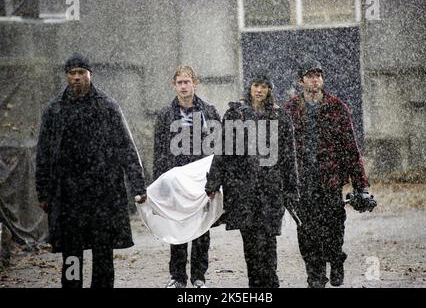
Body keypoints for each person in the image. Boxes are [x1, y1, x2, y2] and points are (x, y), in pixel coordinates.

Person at [35, 53, 147, 288]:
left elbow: (126, 146)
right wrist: (43, 191)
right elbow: (43, 153)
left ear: (90, 75)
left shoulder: (107, 106)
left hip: (102, 193)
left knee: (103, 251)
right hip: (69, 194)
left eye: (81, 73)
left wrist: (138, 184)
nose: (76, 78)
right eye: (72, 73)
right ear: (67, 76)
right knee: (72, 252)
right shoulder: (55, 110)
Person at [284, 59, 376, 288]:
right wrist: (281, 180)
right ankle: (315, 275)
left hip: (330, 179)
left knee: (334, 226)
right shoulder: (290, 110)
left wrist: (360, 185)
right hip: (303, 180)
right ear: (301, 81)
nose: (315, 79)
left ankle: (336, 260)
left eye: (318, 75)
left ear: (322, 79)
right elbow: (282, 148)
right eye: (310, 75)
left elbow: (350, 148)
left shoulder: (337, 107)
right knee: (306, 229)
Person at [205, 73, 300, 288]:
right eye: (256, 85)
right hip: (243, 189)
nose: (259, 90)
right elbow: (223, 151)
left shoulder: (279, 117)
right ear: (250, 88)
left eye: (264, 86)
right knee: (250, 243)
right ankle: (256, 286)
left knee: (268, 241)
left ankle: (270, 284)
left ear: (269, 90)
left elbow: (288, 155)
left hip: (270, 189)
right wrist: (213, 182)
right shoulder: (235, 115)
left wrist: (291, 189)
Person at [152, 65, 221, 288]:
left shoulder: (209, 112)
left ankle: (199, 276)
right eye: (179, 82)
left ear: (195, 83)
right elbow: (160, 151)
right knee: (178, 228)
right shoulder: (165, 115)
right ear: (174, 85)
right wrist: (158, 186)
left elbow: (219, 147)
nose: (183, 86)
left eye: (187, 82)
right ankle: (177, 277)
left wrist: (216, 180)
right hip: (175, 181)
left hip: (201, 180)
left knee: (202, 230)